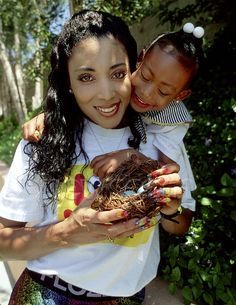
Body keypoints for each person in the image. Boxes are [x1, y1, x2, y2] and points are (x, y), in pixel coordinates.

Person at [0, 10, 183, 305]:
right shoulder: (42, 140)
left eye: (117, 73)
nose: (106, 93)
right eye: (86, 77)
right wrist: (67, 233)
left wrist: (172, 209)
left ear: (134, 69)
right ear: (68, 83)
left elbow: (178, 223)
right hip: (45, 295)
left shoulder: (161, 139)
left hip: (127, 297)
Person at [23, 22, 205, 221]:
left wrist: (132, 157)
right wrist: (50, 117)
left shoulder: (171, 123)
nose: (146, 92)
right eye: (145, 76)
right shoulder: (115, 94)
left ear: (181, 95)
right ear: (140, 59)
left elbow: (169, 170)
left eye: (163, 91)